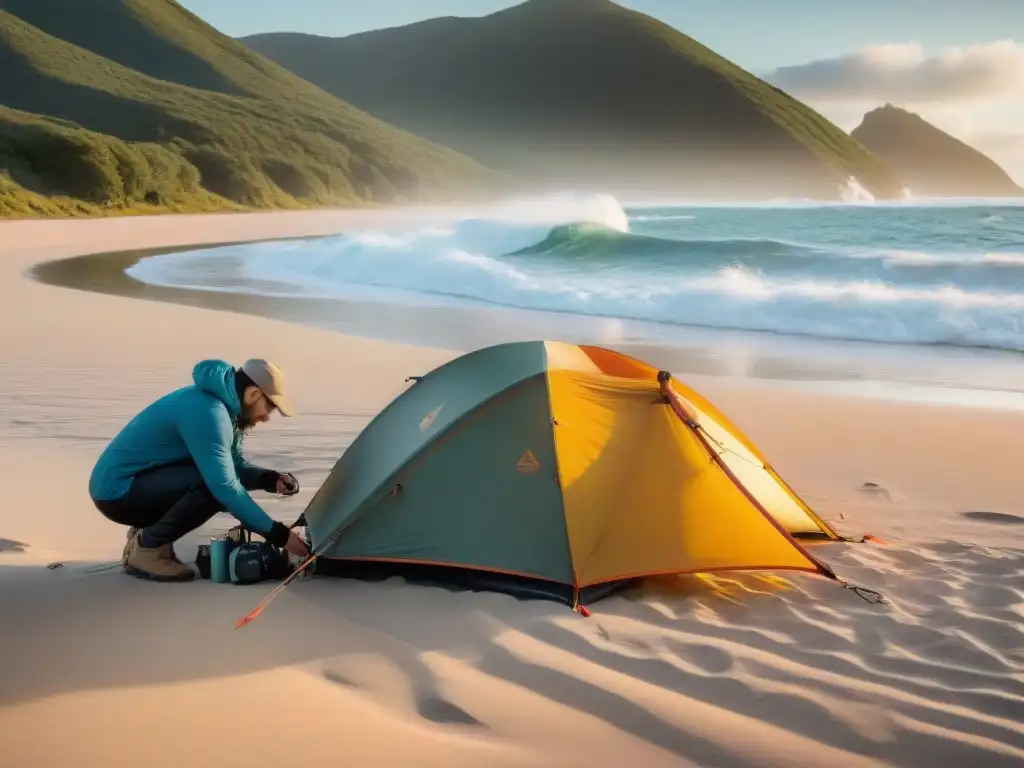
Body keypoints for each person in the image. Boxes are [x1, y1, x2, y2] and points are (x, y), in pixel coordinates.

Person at [88, 358, 310, 581]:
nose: (266, 417)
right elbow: (225, 487)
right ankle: (147, 549)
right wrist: (279, 536)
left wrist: (268, 480)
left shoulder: (220, 406)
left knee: (210, 479)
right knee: (212, 488)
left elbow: (231, 467)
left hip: (133, 482)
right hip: (118, 492)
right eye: (269, 407)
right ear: (253, 394)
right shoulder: (210, 414)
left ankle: (146, 537)